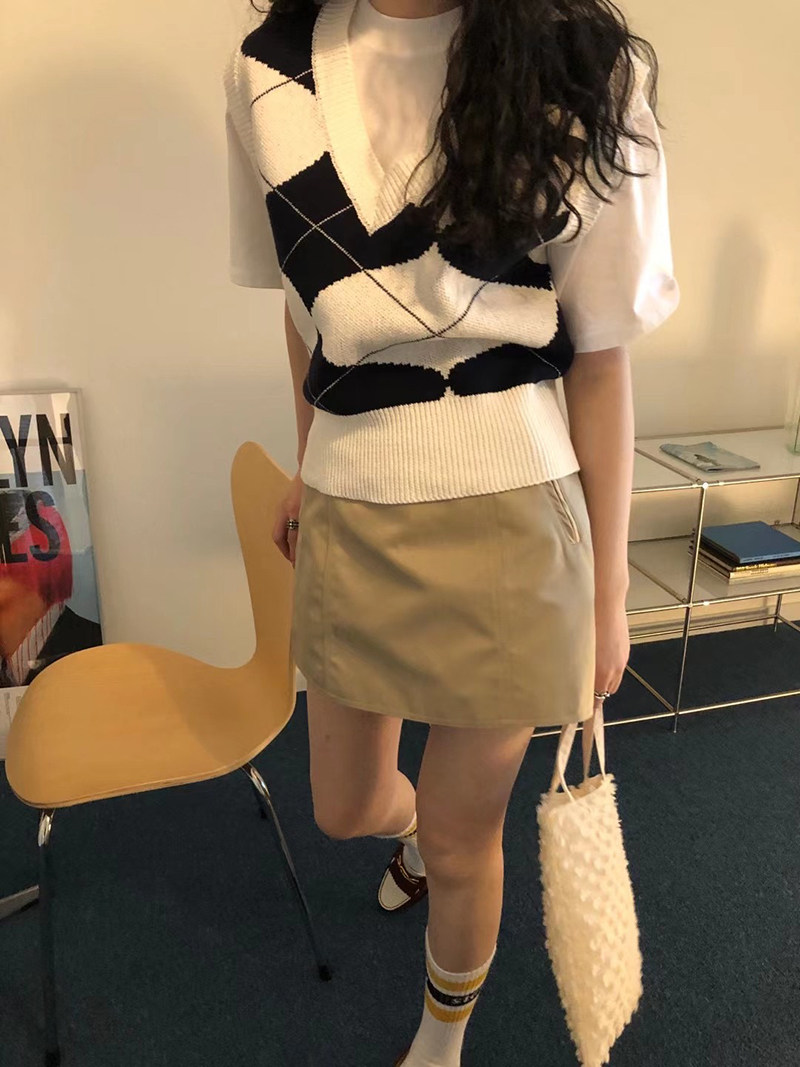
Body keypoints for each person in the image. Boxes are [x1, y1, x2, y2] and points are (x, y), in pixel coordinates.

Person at [223, 0, 679, 1062]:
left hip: (517, 516)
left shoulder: (576, 63)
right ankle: (417, 837)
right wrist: (309, 462)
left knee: (468, 837)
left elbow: (599, 358)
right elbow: (301, 307)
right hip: (352, 504)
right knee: (344, 808)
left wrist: (609, 597)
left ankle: (441, 1036)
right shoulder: (269, 68)